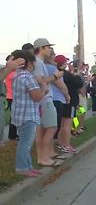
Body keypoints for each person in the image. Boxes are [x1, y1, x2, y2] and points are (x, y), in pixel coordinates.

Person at [11, 50, 46, 177]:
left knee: (25, 142)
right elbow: (37, 96)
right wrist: (43, 88)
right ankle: (22, 167)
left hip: (20, 114)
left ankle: (28, 166)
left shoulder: (17, 76)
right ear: (29, 63)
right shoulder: (28, 77)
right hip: (28, 115)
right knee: (25, 143)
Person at [32, 39, 62, 167]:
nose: (50, 50)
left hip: (42, 100)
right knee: (52, 127)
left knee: (41, 130)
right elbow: (40, 79)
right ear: (42, 48)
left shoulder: (38, 62)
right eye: (48, 47)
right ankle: (44, 157)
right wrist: (56, 76)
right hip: (45, 100)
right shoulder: (38, 62)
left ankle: (43, 156)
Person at [47, 54, 72, 156]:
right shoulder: (55, 70)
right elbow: (62, 85)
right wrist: (67, 96)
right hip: (59, 99)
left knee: (54, 126)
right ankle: (53, 149)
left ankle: (52, 149)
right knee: (57, 126)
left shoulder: (45, 67)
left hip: (51, 99)